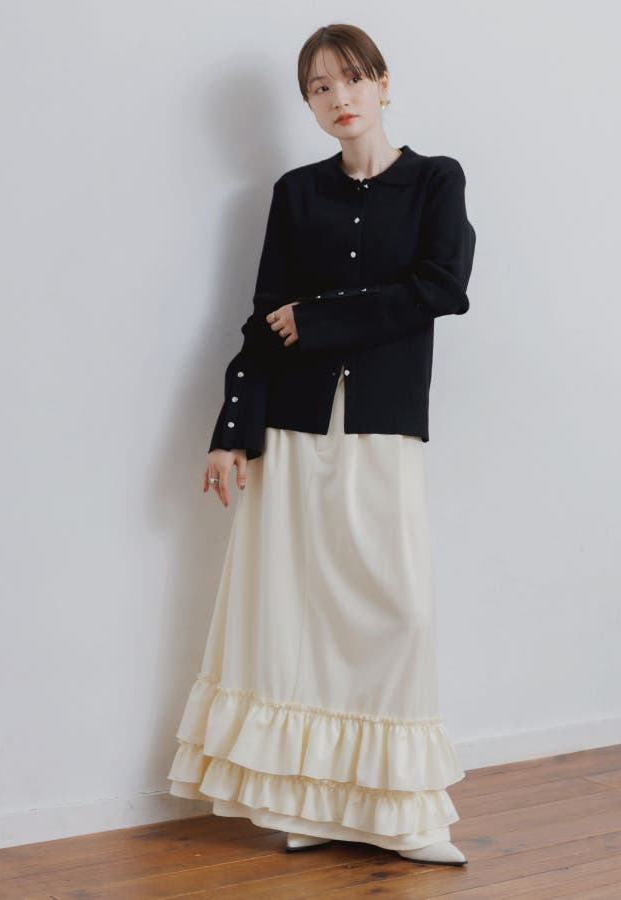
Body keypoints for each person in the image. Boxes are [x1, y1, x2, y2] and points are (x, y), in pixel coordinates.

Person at [167, 23, 476, 867]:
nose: (340, 98)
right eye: (319, 87)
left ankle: (407, 816)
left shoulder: (435, 180)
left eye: (352, 79)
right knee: (300, 618)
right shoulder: (296, 193)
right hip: (294, 426)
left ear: (383, 82)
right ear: (307, 103)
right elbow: (262, 317)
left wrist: (321, 317)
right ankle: (318, 806)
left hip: (380, 422)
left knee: (397, 609)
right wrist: (230, 431)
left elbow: (443, 287)